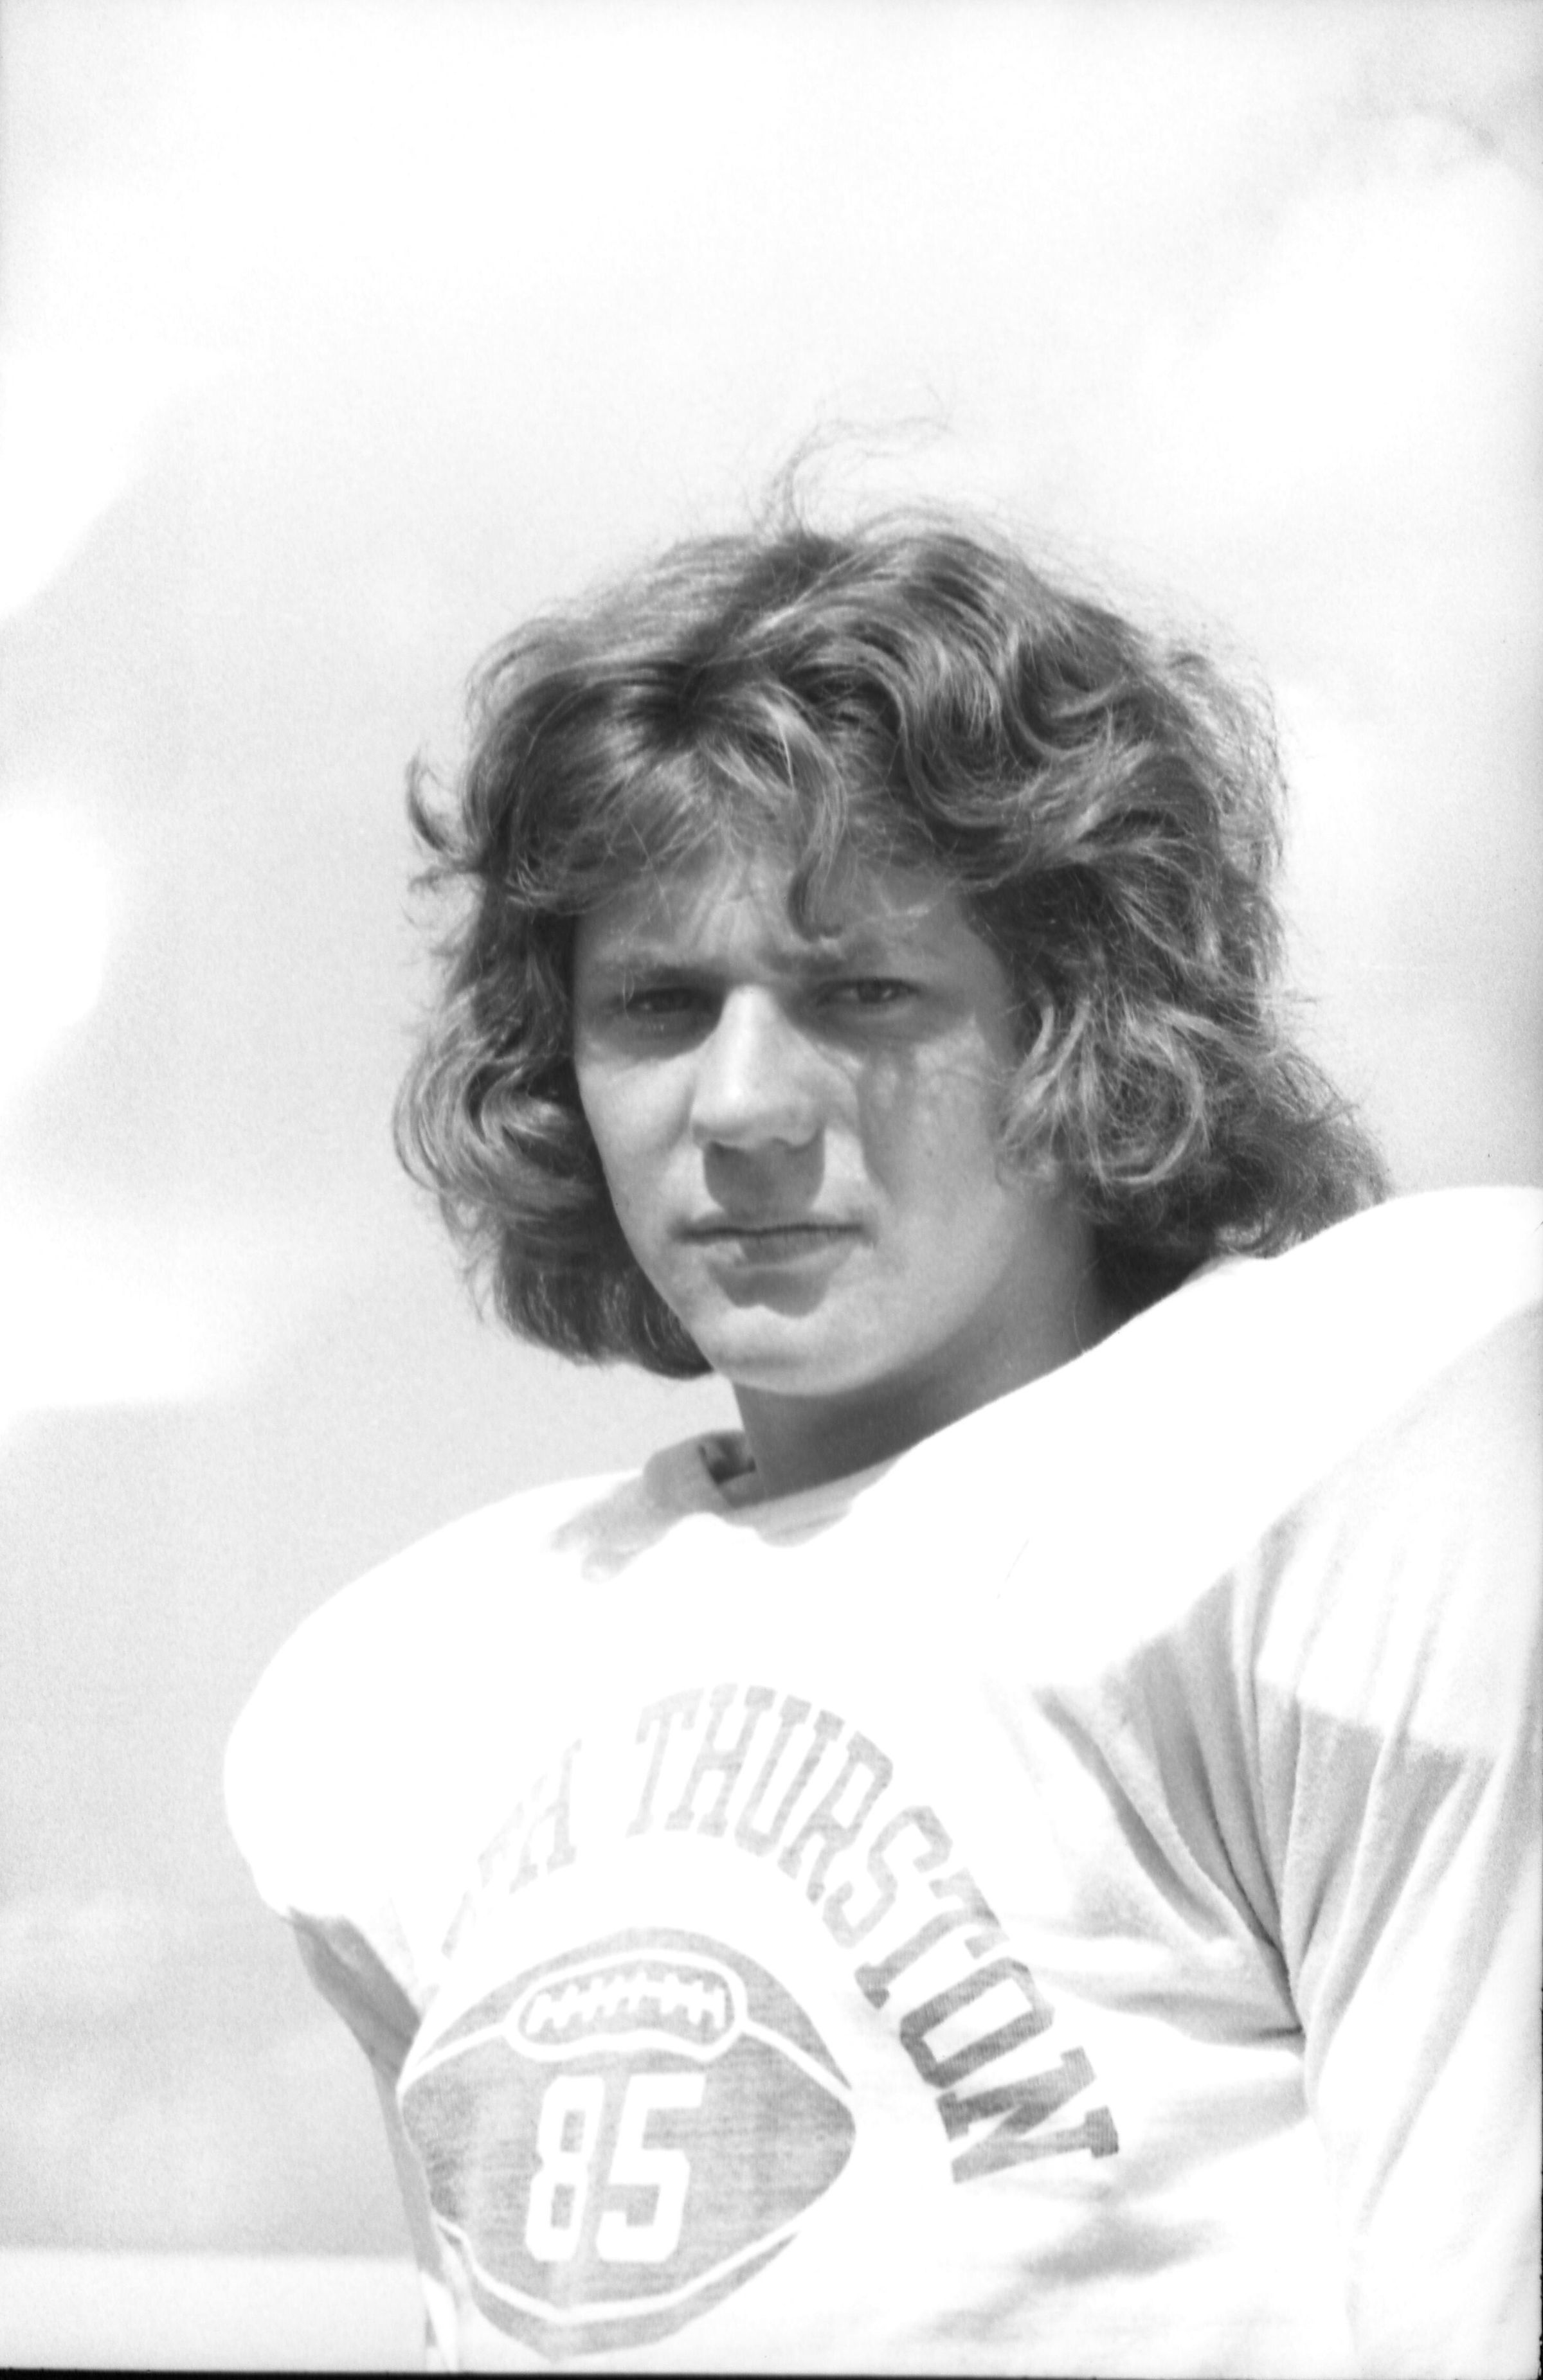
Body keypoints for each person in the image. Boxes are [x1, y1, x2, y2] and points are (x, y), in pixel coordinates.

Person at [226, 499, 1540, 2376]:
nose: (746, 1105)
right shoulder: (408, 1698)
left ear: (1079, 1023)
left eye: (863, 993)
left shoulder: (1351, 1448)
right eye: (657, 1007)